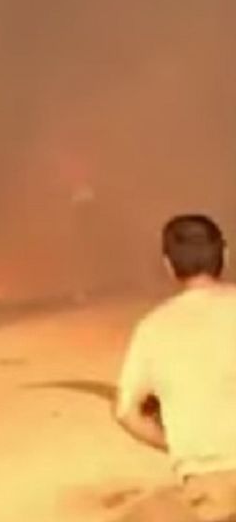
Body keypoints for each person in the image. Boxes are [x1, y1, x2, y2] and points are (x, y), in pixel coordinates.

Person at [116, 214, 236, 522]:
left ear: (168, 266)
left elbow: (126, 412)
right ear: (225, 254)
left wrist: (180, 444)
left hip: (207, 487)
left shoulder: (153, 329)